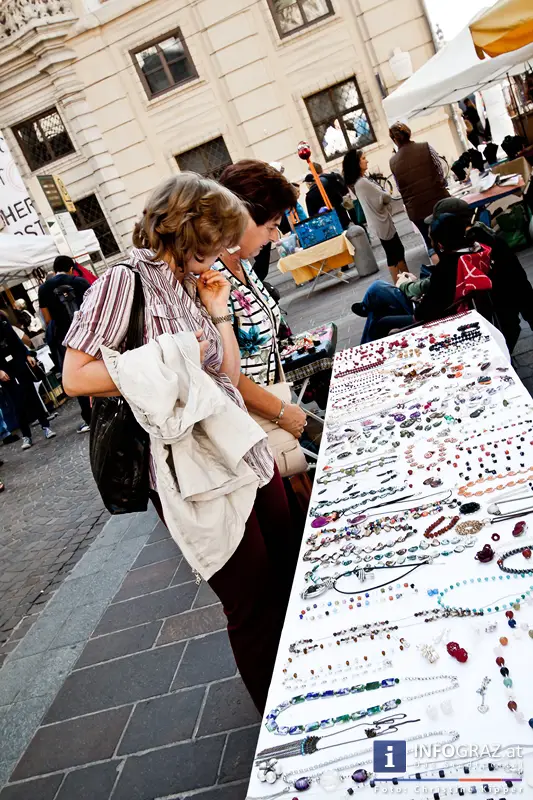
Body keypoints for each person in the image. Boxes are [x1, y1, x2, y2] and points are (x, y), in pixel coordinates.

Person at [62, 173, 301, 713]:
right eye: (215, 242)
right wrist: (168, 358)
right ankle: (280, 722)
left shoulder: (192, 278)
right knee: (251, 602)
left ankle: (305, 684)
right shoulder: (125, 280)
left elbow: (225, 376)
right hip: (193, 468)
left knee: (286, 570)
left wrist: (218, 314)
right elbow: (75, 375)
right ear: (189, 230)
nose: (222, 254)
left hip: (242, 445)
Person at [216, 160, 307, 431]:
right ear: (240, 218)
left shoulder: (242, 261)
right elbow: (221, 368)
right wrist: (281, 413)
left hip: (270, 410)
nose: (275, 236)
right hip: (247, 425)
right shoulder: (209, 278)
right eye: (270, 226)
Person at [353, 214, 484, 342]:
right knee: (377, 303)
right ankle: (366, 311)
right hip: (440, 305)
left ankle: (363, 350)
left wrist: (412, 290)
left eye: (430, 239)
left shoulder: (448, 266)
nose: (430, 243)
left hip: (435, 317)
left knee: (378, 317)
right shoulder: (474, 251)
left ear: (440, 244)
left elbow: (424, 312)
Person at [425, 197, 533, 352]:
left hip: (485, 332)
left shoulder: (458, 256)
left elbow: (434, 302)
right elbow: (522, 287)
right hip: (505, 327)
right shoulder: (493, 242)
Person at [38, 255, 92, 433]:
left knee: (77, 376)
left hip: (65, 340)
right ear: (70, 268)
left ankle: (89, 418)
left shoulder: (44, 289)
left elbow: (47, 319)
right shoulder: (80, 282)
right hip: (87, 335)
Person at [343, 148, 408, 282]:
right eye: (363, 158)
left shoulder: (360, 181)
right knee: (394, 253)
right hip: (381, 221)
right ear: (356, 163)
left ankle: (406, 280)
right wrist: (384, 193)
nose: (366, 160)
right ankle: (401, 282)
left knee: (396, 251)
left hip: (379, 220)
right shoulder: (363, 183)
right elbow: (384, 197)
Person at [389, 122, 450, 252]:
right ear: (408, 133)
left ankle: (441, 269)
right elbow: (440, 169)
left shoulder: (393, 162)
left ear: (394, 140)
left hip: (416, 210)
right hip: (439, 201)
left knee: (431, 246)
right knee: (450, 238)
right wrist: (440, 183)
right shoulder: (425, 147)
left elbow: (400, 186)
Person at [0, 312, 56, 449]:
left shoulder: (3, 320)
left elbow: (16, 341)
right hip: (4, 370)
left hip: (18, 363)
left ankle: (45, 426)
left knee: (32, 396)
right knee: (17, 404)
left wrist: (27, 355)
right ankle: (26, 435)